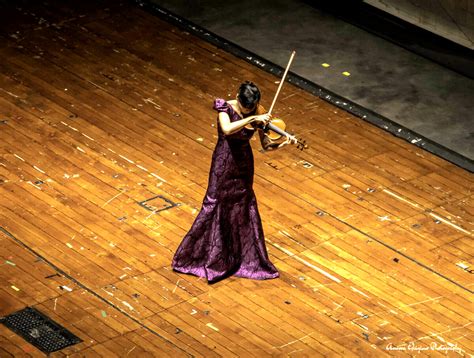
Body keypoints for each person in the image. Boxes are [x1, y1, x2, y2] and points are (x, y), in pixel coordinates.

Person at [172, 81, 296, 283]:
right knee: (214, 204)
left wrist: (282, 143)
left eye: (252, 108)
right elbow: (227, 129)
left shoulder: (257, 112)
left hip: (244, 165)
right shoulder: (225, 107)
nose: (249, 111)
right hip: (224, 161)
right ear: (238, 98)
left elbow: (266, 146)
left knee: (242, 206)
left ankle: (241, 257)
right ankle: (198, 256)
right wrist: (254, 117)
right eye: (246, 108)